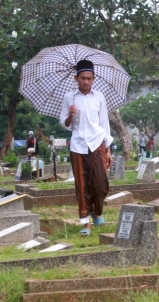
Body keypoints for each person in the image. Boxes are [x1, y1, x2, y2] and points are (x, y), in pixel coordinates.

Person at [59, 60, 113, 236]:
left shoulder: (99, 97)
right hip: (78, 145)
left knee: (101, 183)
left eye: (89, 78)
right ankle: (86, 224)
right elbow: (64, 124)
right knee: (81, 185)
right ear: (76, 78)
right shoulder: (69, 97)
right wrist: (70, 115)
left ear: (94, 78)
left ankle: (97, 212)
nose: (86, 82)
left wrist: (108, 149)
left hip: (97, 142)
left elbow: (104, 122)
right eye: (83, 78)